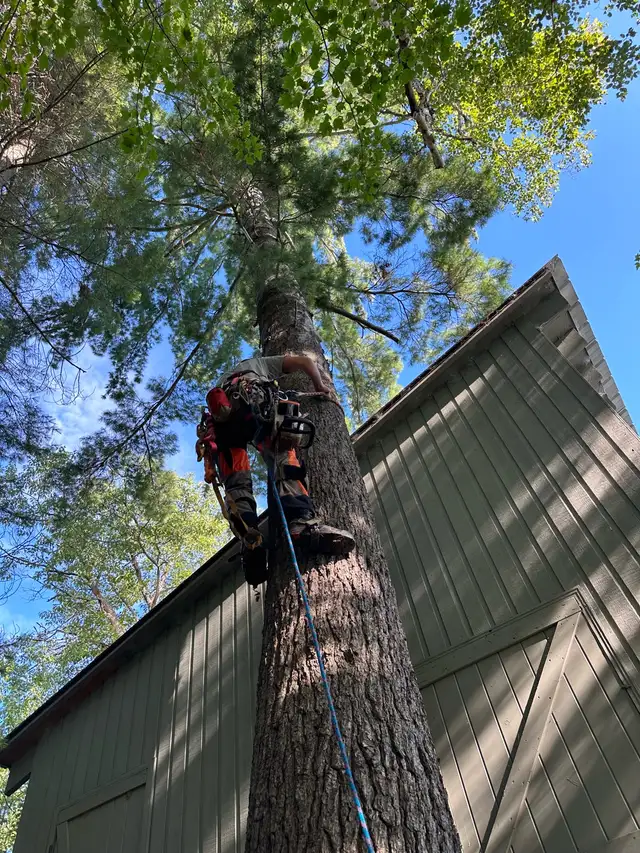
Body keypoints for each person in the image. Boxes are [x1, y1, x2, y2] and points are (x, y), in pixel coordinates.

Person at [201, 354, 355, 585]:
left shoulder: (222, 381)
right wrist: (320, 385)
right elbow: (304, 361)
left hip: (222, 426)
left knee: (236, 482)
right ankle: (301, 523)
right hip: (252, 405)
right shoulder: (260, 364)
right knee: (283, 454)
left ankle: (250, 540)